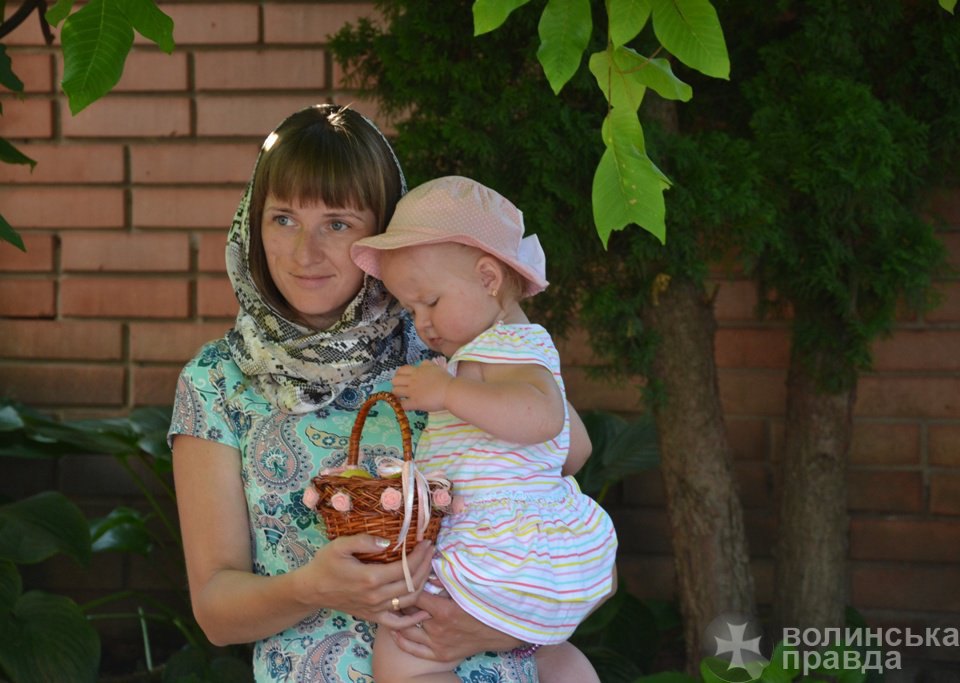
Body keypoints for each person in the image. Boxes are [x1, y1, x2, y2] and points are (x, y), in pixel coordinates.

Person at [169, 105, 549, 683]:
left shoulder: (449, 344)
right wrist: (311, 587)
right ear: (252, 223)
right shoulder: (216, 382)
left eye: (338, 224)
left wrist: (490, 629)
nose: (305, 252)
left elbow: (565, 521)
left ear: (382, 237)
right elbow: (216, 612)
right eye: (284, 219)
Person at [351, 176, 619, 683]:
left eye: (431, 302)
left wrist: (448, 394)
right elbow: (572, 449)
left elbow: (544, 419)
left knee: (403, 655)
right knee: (546, 651)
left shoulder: (509, 347)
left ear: (488, 278)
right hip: (513, 548)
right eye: (411, 309)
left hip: (500, 546)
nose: (422, 323)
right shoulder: (490, 350)